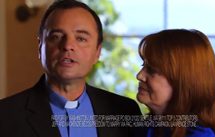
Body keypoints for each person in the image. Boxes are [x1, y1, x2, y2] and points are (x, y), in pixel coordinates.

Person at [0, 1, 141, 137]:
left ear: (98, 52)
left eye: (80, 38)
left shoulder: (125, 111)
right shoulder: (5, 115)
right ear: (40, 47)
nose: (67, 45)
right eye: (56, 37)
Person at [136, 29, 215, 137]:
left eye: (152, 70)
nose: (139, 76)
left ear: (184, 80)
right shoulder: (151, 127)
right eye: (143, 65)